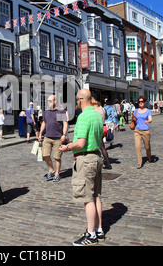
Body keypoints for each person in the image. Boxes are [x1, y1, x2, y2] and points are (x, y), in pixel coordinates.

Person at [59, 89, 104, 246]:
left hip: (86, 159)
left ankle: (91, 234)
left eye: (76, 100)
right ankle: (99, 229)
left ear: (80, 100)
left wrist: (68, 147)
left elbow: (81, 143)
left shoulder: (84, 116)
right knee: (96, 195)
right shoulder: (97, 114)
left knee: (87, 198)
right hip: (96, 156)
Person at [38, 95, 68, 182]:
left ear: (55, 101)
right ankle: (51, 170)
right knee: (45, 155)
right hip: (47, 137)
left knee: (57, 157)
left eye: (50, 101)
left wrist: (64, 134)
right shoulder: (46, 112)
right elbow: (44, 123)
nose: (48, 103)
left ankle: (57, 174)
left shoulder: (60, 112)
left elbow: (65, 123)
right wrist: (40, 133)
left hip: (58, 138)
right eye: (48, 101)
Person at [133, 96, 153, 169]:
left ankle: (149, 157)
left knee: (147, 146)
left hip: (145, 131)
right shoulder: (136, 111)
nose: (141, 103)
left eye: (142, 101)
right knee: (137, 146)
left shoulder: (148, 111)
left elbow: (150, 119)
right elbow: (134, 119)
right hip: (137, 130)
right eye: (139, 102)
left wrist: (148, 121)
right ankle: (139, 162)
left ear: (144, 102)